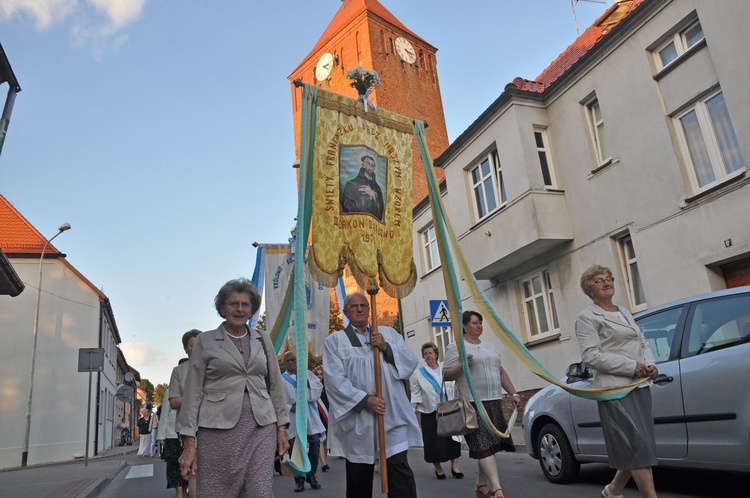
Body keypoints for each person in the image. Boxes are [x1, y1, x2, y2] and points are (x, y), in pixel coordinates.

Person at [178, 278, 289, 498]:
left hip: (261, 424)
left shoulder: (262, 339)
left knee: (260, 491)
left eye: (245, 304)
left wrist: (282, 428)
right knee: (217, 491)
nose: (240, 309)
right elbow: (193, 392)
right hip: (218, 428)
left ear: (252, 309)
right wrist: (189, 441)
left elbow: (275, 385)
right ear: (222, 308)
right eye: (233, 303)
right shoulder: (205, 341)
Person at [323, 292, 421, 498]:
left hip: (391, 414)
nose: (359, 309)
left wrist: (386, 347)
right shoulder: (336, 341)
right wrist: (365, 400)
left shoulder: (388, 334)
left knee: (399, 468)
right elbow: (334, 379)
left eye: (363, 305)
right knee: (359, 473)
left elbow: (409, 363)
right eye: (354, 306)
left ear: (369, 309)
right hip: (360, 418)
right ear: (346, 312)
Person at [574, 265, 659, 498]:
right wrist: (631, 366)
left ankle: (614, 490)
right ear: (589, 290)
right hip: (615, 390)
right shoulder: (587, 317)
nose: (606, 282)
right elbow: (591, 356)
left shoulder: (623, 311)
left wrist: (650, 365)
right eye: (598, 281)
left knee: (637, 446)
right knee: (638, 447)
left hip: (639, 386)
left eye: (609, 278)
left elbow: (642, 342)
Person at [443, 311, 521, 498]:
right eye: (475, 323)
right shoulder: (456, 347)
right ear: (464, 326)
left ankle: (481, 483)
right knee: (482, 443)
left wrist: (513, 392)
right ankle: (498, 489)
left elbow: (500, 372)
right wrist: (463, 365)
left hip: (493, 400)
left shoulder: (488, 346)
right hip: (472, 403)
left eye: (480, 323)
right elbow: (445, 374)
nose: (479, 326)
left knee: (488, 447)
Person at [410, 342, 463, 480]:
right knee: (432, 442)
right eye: (425, 354)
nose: (428, 356)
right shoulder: (419, 373)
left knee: (453, 438)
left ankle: (455, 466)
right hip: (430, 412)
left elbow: (455, 384)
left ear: (436, 354)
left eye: (430, 353)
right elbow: (415, 393)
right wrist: (413, 410)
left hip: (449, 408)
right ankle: (438, 469)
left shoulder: (445, 369)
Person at [281, 352, 325, 492]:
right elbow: (277, 399)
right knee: (296, 449)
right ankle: (299, 480)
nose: (290, 363)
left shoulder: (307, 374)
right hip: (293, 417)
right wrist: (290, 407)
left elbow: (317, 392)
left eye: (292, 360)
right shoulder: (282, 379)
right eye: (287, 361)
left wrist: (305, 382)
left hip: (309, 416)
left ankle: (311, 475)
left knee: (315, 442)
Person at [167, 329, 200, 498]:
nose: (196, 348)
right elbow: (173, 401)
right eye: (192, 345)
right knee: (195, 469)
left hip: (213, 423)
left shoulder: (214, 367)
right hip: (188, 427)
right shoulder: (179, 371)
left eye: (200, 344)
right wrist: (195, 397)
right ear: (185, 349)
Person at [341, 154, 384, 220]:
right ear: (363, 165)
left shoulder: (377, 188)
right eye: (368, 163)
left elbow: (380, 215)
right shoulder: (351, 184)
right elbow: (346, 207)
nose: (371, 166)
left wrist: (373, 196)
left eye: (373, 165)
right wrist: (367, 199)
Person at [312, 366, 330, 472]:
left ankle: (325, 461)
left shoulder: (327, 387)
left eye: (321, 374)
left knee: (327, 439)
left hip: (327, 414)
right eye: (317, 374)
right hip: (318, 414)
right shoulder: (314, 387)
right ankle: (323, 463)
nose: (319, 376)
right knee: (321, 439)